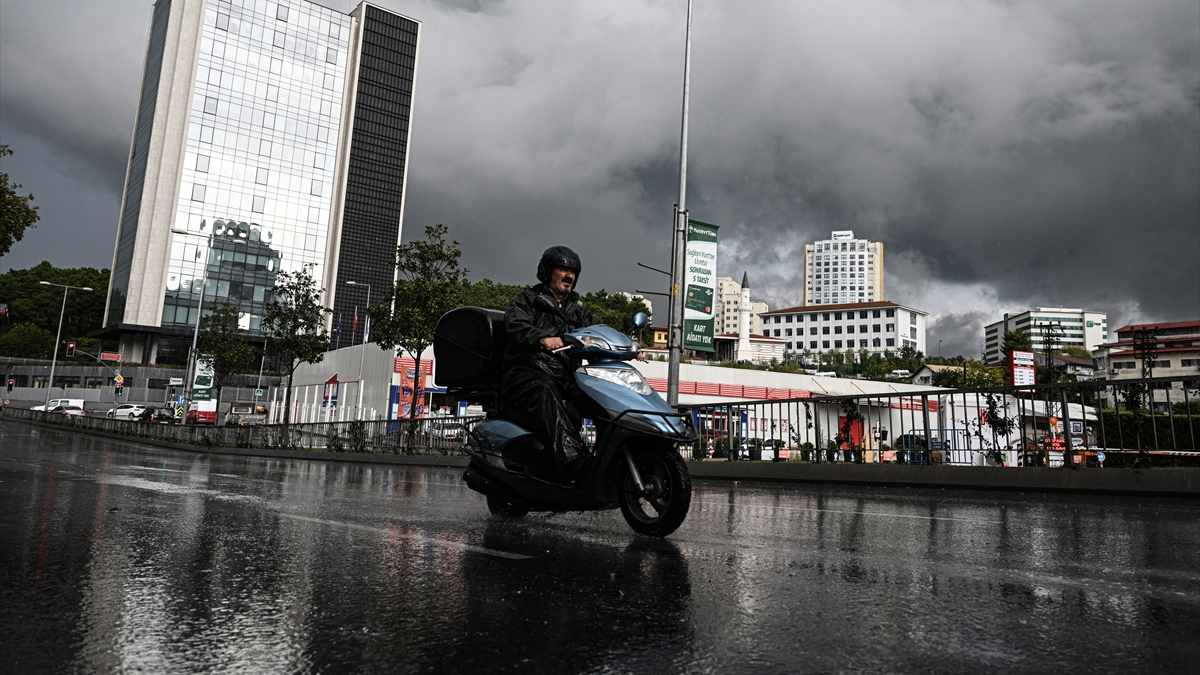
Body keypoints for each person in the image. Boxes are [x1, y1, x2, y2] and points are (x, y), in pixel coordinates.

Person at [502, 246, 597, 471]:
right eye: (563, 268)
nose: (569, 275)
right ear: (547, 270)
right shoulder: (527, 299)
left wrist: (625, 344)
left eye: (573, 271)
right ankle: (573, 460)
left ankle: (609, 458)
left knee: (599, 395)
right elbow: (516, 327)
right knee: (544, 388)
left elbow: (597, 329)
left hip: (566, 377)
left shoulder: (578, 308)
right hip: (526, 373)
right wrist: (543, 338)